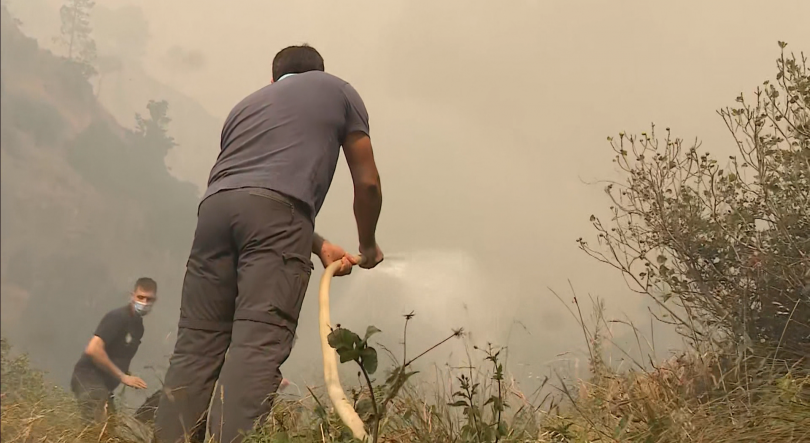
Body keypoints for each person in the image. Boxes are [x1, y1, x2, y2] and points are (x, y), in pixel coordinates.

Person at [154, 44, 384, 443]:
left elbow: (250, 191)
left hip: (213, 213)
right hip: (277, 218)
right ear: (318, 72)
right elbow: (366, 182)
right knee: (257, 342)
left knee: (197, 344)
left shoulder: (245, 107)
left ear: (275, 79)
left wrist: (317, 244)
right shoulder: (339, 90)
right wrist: (368, 246)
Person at [70, 277, 157, 424]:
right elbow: (93, 349)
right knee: (95, 427)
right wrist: (122, 377)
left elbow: (119, 354)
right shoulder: (118, 317)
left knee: (110, 430)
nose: (144, 303)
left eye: (149, 299)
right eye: (140, 297)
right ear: (132, 296)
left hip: (104, 386)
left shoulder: (137, 326)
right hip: (89, 379)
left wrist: (129, 375)